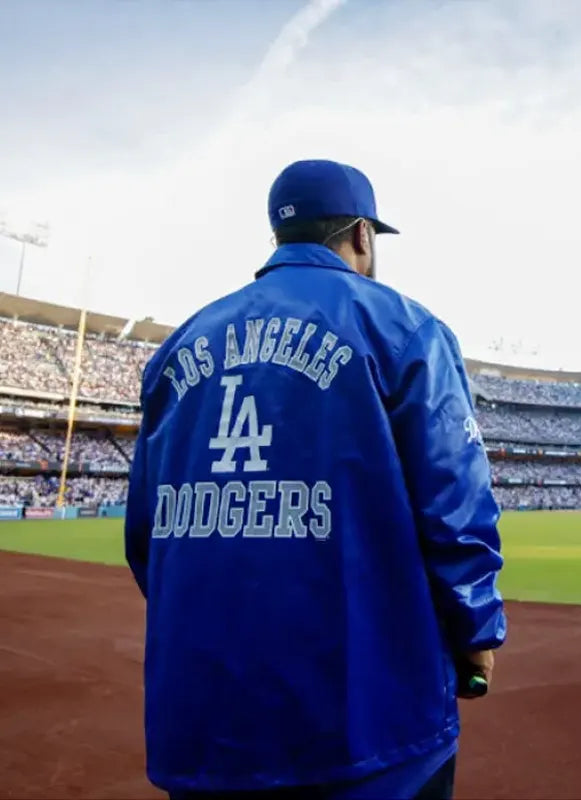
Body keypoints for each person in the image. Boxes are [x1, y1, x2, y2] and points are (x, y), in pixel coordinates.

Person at [125, 159, 506, 800]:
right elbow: (456, 507)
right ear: (362, 234)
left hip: (204, 724)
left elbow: (146, 537)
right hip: (372, 732)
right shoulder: (405, 330)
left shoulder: (181, 344)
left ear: (279, 236)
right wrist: (477, 632)